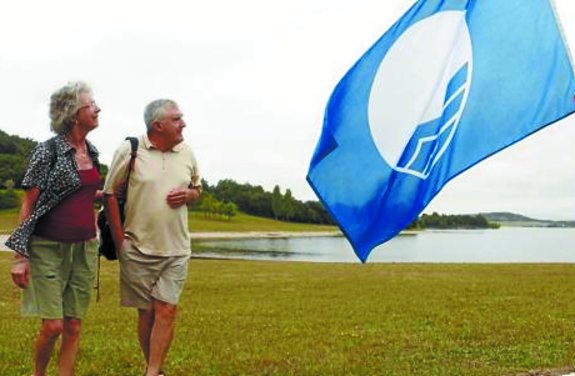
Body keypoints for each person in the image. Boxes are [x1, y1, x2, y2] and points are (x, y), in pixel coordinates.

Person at [6, 81, 102, 376]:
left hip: (84, 248)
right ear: (73, 114)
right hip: (47, 247)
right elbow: (29, 202)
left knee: (73, 325)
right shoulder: (46, 152)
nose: (98, 109)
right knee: (53, 325)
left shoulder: (92, 151)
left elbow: (80, 192)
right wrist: (20, 256)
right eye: (91, 105)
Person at [103, 99, 201, 376]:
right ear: (158, 125)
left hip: (177, 248)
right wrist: (120, 239)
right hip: (137, 247)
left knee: (167, 310)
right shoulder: (130, 149)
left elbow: (197, 187)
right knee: (146, 313)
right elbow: (110, 192)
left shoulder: (187, 152)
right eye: (177, 119)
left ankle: (153, 371)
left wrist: (190, 194)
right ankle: (154, 369)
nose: (183, 123)